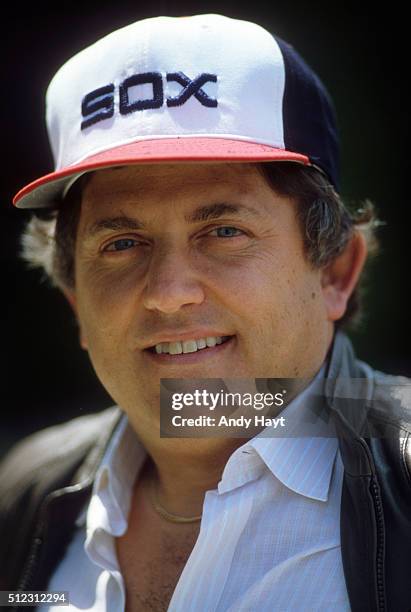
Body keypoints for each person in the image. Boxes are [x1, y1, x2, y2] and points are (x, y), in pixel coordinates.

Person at [0, 12, 410, 612]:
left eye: (223, 231)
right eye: (121, 244)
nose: (169, 291)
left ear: (335, 272)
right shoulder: (26, 494)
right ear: (76, 302)